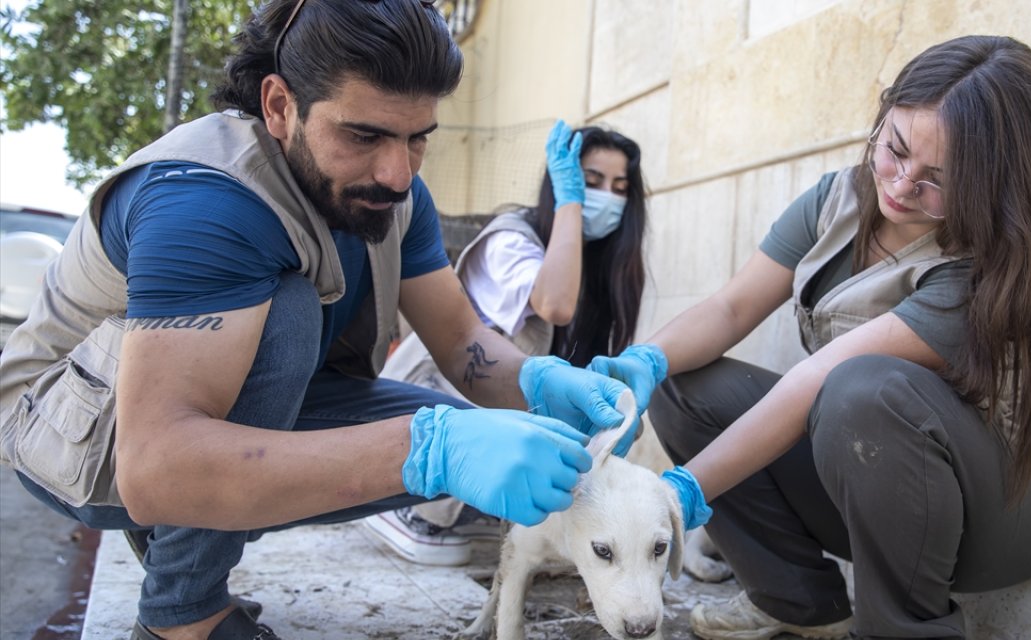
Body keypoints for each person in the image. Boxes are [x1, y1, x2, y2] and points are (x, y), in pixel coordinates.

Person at [0, 2, 637, 639]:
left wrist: (545, 389)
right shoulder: (206, 200)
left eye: (417, 137)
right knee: (295, 317)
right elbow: (156, 467)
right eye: (363, 135)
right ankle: (182, 616)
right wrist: (428, 452)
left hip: (189, 421)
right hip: (73, 431)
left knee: (472, 432)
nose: (397, 172)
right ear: (279, 106)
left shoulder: (398, 196)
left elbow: (464, 340)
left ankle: (181, 537)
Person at [588, 35, 1031, 639]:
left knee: (862, 391)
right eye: (896, 150)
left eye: (938, 179)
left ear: (992, 184)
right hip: (873, 492)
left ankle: (901, 631)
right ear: (882, 119)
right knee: (683, 384)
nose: (902, 186)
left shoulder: (983, 268)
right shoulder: (837, 202)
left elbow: (818, 383)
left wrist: (678, 494)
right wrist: (636, 366)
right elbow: (729, 307)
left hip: (999, 518)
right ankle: (799, 605)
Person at [366, 121, 650, 565]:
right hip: (433, 398)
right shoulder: (509, 237)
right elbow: (553, 305)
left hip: (494, 413)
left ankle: (476, 508)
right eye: (589, 181)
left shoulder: (604, 269)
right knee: (524, 345)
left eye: (619, 187)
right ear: (560, 183)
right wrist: (570, 202)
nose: (606, 197)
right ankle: (409, 502)